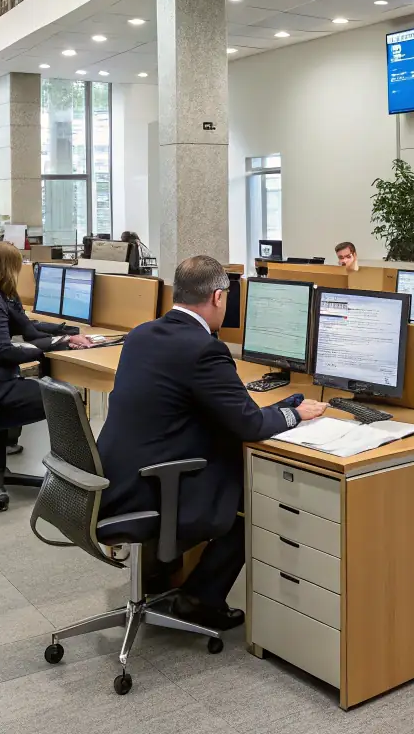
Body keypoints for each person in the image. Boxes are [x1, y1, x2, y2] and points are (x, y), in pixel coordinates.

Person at [97, 254, 328, 630]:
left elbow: (201, 405)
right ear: (219, 298)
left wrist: (279, 405)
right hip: (152, 489)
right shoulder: (204, 350)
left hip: (115, 480)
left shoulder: (142, 334)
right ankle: (201, 599)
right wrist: (294, 414)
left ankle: (159, 576)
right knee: (253, 497)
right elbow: (250, 424)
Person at [0, 243, 89, 457]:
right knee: (68, 398)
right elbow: (2, 352)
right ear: (7, 269)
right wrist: (47, 347)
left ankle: (2, 445)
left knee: (54, 389)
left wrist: (64, 334)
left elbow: (26, 328)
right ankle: (75, 464)